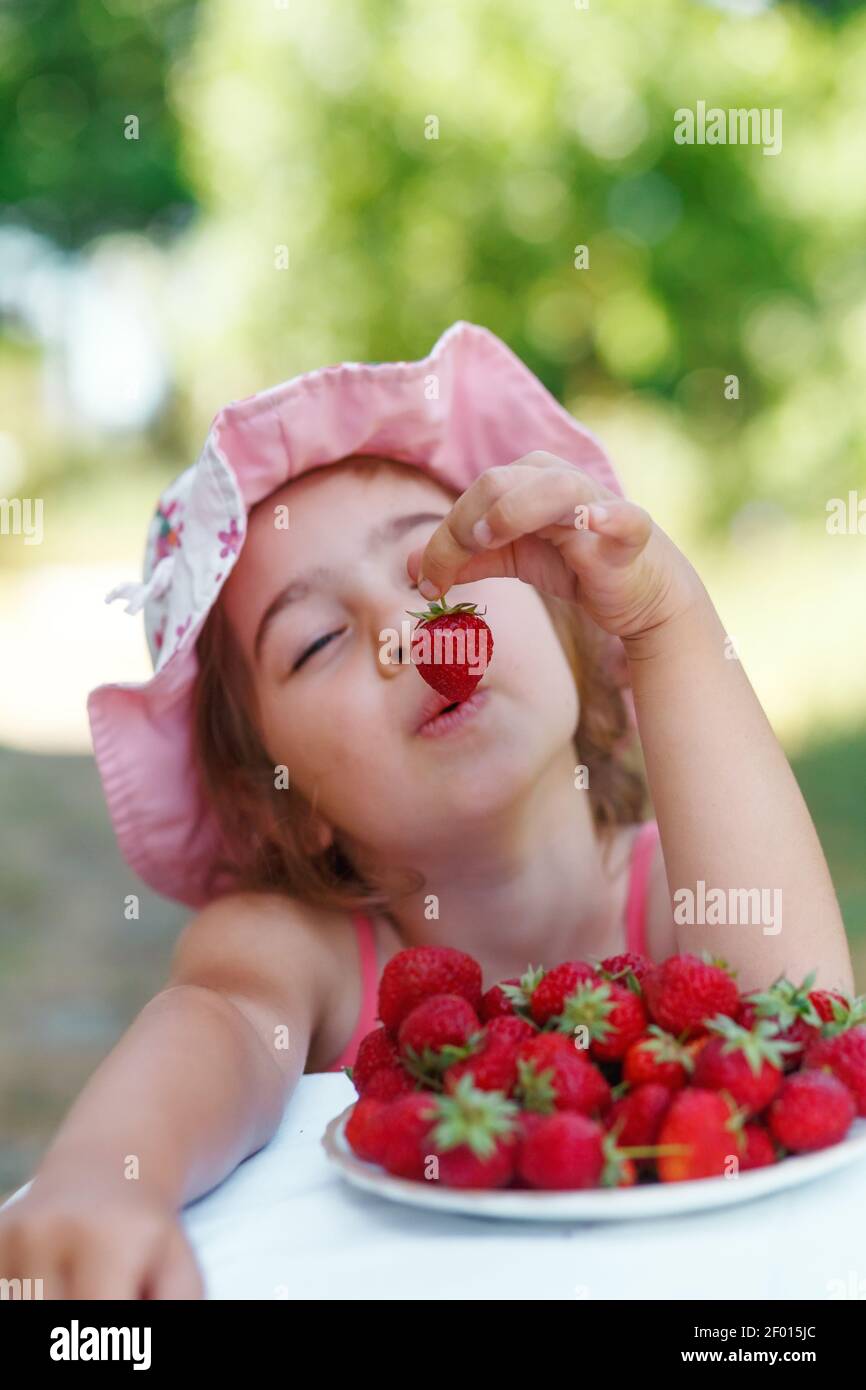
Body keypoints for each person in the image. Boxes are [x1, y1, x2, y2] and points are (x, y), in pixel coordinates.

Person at [0, 321, 853, 1297]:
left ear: (570, 625)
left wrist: (666, 622)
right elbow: (218, 1026)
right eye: (318, 641)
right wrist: (108, 1178)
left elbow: (799, 1027)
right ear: (281, 806)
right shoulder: (301, 947)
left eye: (436, 570)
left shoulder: (677, 888)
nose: (409, 633)